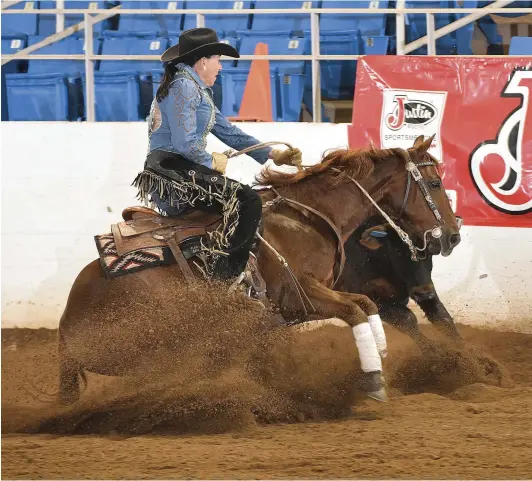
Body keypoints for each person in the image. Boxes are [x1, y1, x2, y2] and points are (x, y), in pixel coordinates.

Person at [133, 28, 302, 282]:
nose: (220, 67)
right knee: (248, 201)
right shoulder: (185, 87)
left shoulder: (193, 88)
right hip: (172, 170)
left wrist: (271, 154)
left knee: (238, 202)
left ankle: (215, 264)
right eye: (218, 60)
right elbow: (184, 143)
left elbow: (228, 132)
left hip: (173, 167)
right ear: (203, 62)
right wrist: (210, 161)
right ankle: (226, 277)